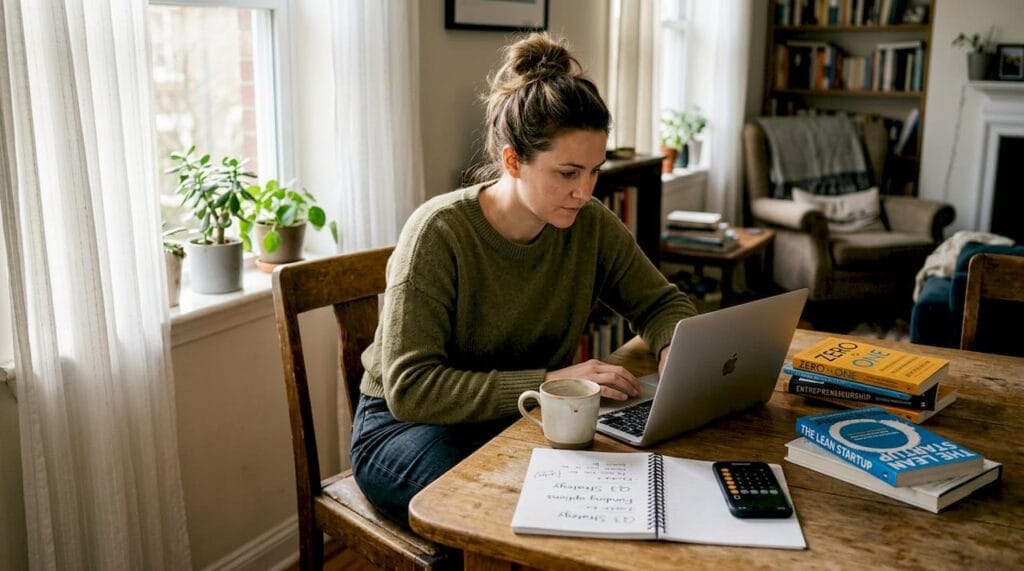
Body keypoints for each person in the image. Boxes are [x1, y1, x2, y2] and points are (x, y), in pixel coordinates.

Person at [350, 32, 697, 527]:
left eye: (594, 171)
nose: (584, 192)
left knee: (618, 493)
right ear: (512, 160)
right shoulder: (438, 233)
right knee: (503, 514)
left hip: (522, 416)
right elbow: (412, 387)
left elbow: (661, 304)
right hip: (407, 429)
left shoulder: (590, 224)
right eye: (567, 173)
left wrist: (672, 351)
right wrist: (548, 381)